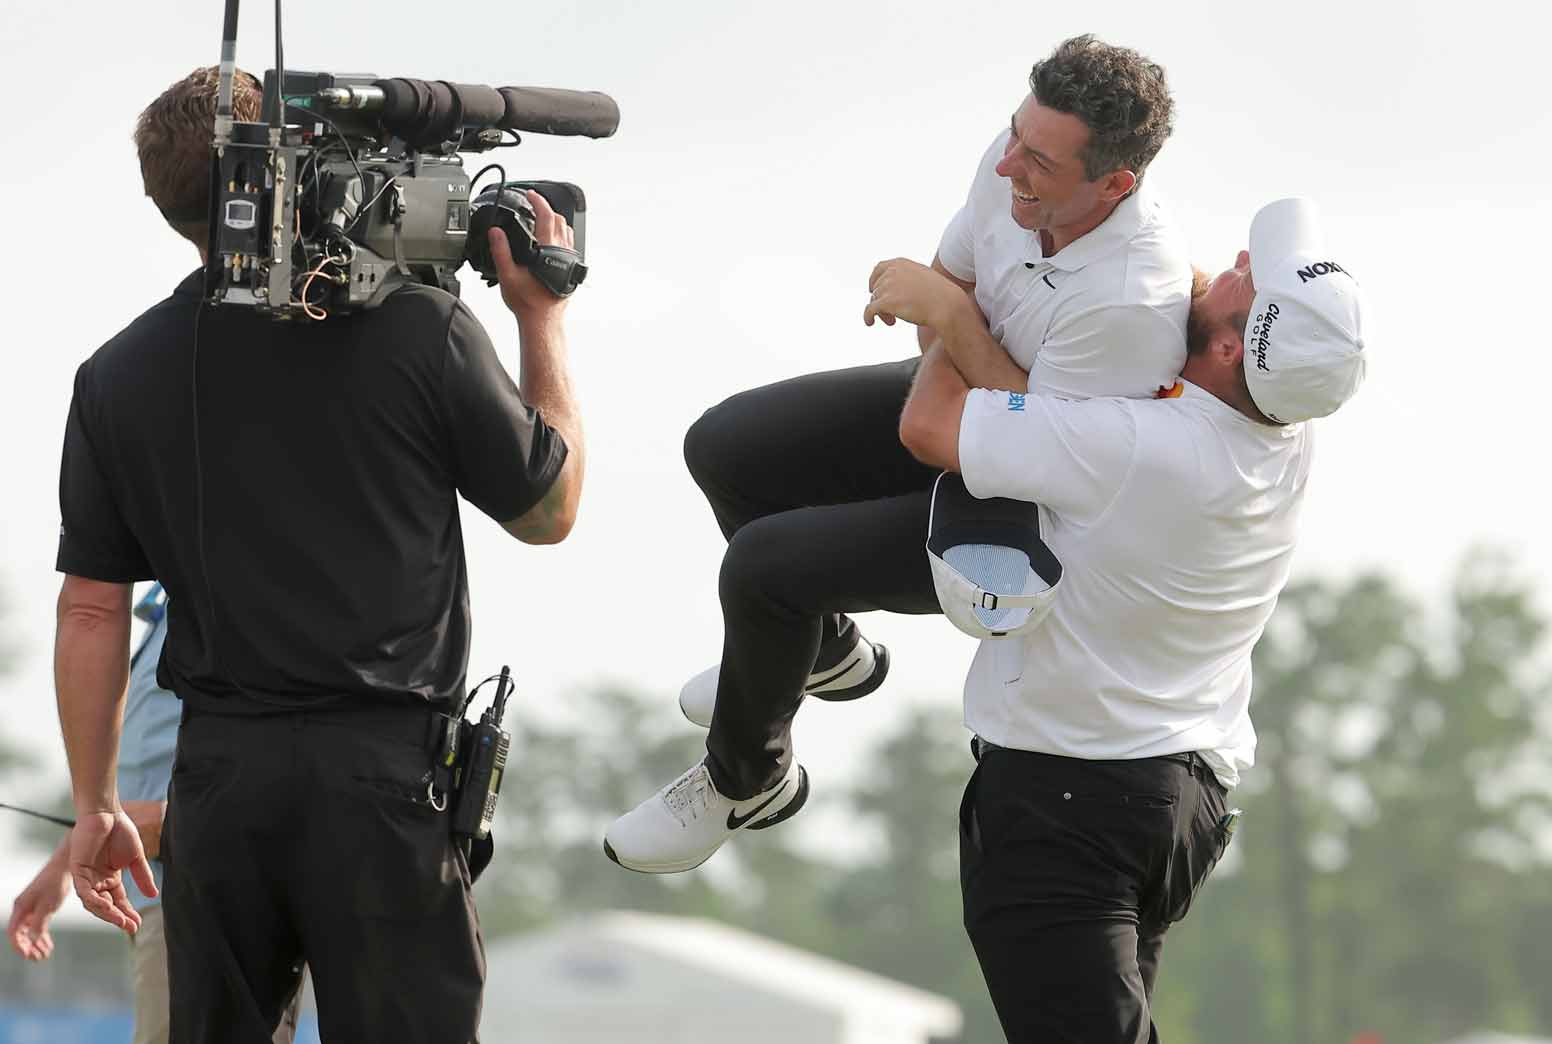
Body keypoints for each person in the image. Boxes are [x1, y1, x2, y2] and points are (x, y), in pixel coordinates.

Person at [52, 66, 584, 1042]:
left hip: (217, 787)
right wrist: (539, 319)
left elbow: (90, 609)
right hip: (379, 782)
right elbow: (546, 511)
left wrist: (95, 805)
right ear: (289, 167)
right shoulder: (420, 328)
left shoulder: (116, 373)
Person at [604, 34, 1191, 874]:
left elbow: (1024, 447)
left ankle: (745, 779)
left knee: (767, 571)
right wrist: (952, 328)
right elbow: (937, 319)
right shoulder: (1015, 164)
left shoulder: (1133, 296)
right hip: (978, 410)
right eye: (1015, 137)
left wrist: (956, 321)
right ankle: (827, 651)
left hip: (1046, 523)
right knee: (728, 447)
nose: (1007, 169)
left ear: (1116, 183)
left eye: (1039, 162)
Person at [892, 198, 1368, 1042]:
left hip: (1072, 798)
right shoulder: (1283, 426)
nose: (1230, 263)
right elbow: (1163, 342)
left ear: (1229, 347)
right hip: (1177, 804)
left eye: (1245, 279)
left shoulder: (1151, 445)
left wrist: (949, 311)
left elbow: (934, 425)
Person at [10, 584, 303, 1044]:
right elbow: (138, 777)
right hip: (159, 900)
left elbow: (290, 752)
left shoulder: (242, 593)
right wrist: (61, 867)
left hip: (208, 901)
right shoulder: (169, 604)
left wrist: (178, 824)